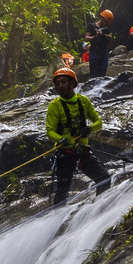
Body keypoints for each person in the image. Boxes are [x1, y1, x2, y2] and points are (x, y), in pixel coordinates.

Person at [46, 66, 111, 207]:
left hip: (82, 150)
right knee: (62, 192)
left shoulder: (83, 101)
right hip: (65, 153)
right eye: (57, 83)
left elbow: (98, 123)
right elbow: (50, 132)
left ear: (72, 83)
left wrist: (89, 129)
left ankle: (98, 209)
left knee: (104, 178)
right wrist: (61, 139)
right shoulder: (54, 106)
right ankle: (57, 220)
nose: (60, 86)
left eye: (63, 82)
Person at [86, 11, 115, 78]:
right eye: (107, 23)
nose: (107, 25)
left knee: (102, 74)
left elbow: (108, 45)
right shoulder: (91, 26)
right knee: (94, 74)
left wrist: (110, 39)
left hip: (104, 53)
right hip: (94, 52)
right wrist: (96, 36)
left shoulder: (106, 29)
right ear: (102, 20)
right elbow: (86, 38)